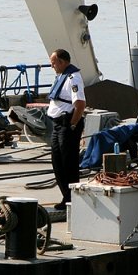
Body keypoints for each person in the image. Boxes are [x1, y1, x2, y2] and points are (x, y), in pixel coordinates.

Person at [47, 49, 87, 210]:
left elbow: (80, 104)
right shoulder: (61, 76)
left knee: (68, 163)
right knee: (57, 162)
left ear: (62, 62)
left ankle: (72, 198)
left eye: (54, 62)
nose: (52, 66)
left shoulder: (73, 78)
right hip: (57, 125)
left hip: (67, 125)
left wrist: (72, 124)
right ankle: (66, 196)